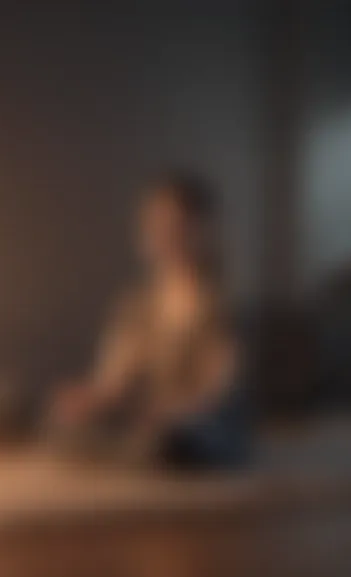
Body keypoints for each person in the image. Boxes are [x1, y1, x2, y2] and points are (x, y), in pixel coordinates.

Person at [48, 172, 248, 469]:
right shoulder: (135, 307)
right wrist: (88, 399)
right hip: (143, 421)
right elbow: (113, 382)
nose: (163, 237)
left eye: (175, 226)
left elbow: (220, 393)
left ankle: (146, 453)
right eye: (154, 226)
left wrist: (169, 414)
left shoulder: (219, 307)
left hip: (193, 425)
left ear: (201, 229)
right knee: (67, 429)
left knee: (176, 441)